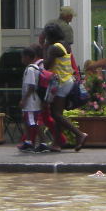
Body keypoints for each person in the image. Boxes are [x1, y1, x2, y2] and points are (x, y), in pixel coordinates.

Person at [41, 23, 88, 152]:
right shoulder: (65, 44)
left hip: (61, 82)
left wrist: (44, 48)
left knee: (55, 114)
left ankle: (79, 134)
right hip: (68, 80)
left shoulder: (54, 48)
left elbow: (46, 65)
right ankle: (56, 143)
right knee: (58, 113)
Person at [17, 45, 51, 152]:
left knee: (34, 123)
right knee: (29, 121)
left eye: (23, 57)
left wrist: (24, 100)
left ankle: (43, 142)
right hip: (32, 101)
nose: (22, 59)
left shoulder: (31, 69)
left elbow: (31, 86)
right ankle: (28, 142)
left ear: (27, 57)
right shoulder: (34, 68)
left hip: (31, 101)